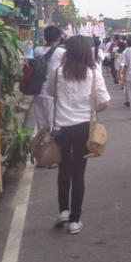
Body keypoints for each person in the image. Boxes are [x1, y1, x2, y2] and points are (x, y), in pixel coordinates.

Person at [46, 35, 110, 234]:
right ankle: (75, 221)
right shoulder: (93, 73)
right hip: (83, 127)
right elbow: (105, 102)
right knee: (78, 173)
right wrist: (90, 111)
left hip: (59, 128)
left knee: (63, 168)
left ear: (68, 52)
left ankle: (63, 211)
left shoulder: (58, 72)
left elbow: (51, 93)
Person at [31, 25, 66, 137]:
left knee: (41, 126)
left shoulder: (37, 50)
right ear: (59, 38)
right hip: (52, 93)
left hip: (37, 91)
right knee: (53, 125)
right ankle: (53, 150)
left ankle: (42, 149)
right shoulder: (61, 52)